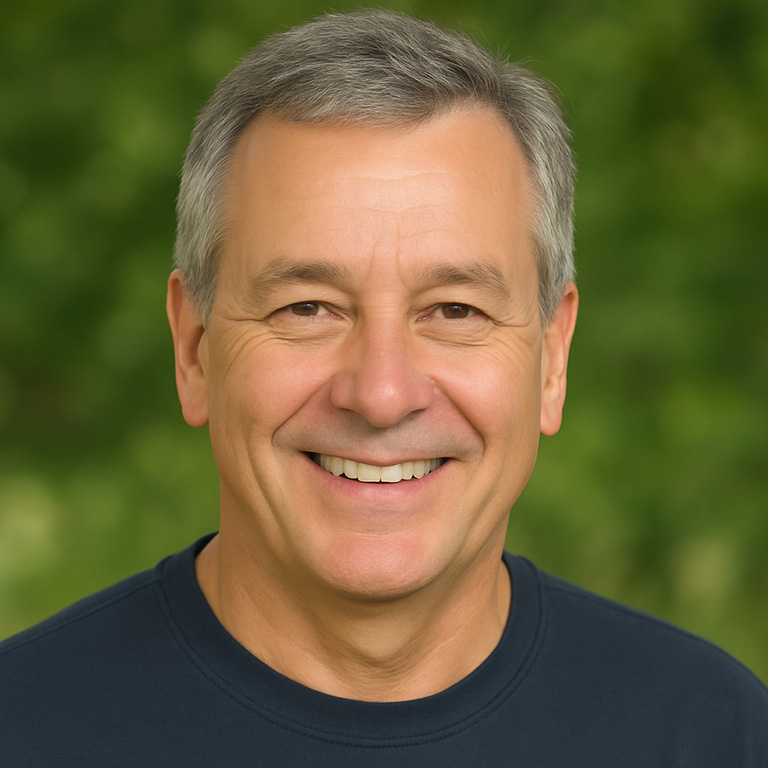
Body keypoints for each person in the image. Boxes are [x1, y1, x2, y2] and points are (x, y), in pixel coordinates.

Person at [1, 9, 766, 766]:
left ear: (553, 358)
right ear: (195, 349)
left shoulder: (714, 737)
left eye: (455, 310)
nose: (382, 393)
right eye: (308, 308)